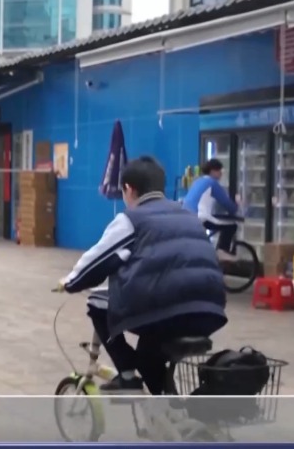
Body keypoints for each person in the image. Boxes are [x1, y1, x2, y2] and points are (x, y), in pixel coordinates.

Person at [59, 156, 227, 395]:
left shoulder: (131, 219)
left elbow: (95, 262)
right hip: (210, 311)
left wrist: (70, 282)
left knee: (97, 302)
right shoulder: (190, 216)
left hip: (163, 313)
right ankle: (170, 409)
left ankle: (127, 375)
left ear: (129, 189)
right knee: (149, 356)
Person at [182, 159, 241, 260]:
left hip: (187, 216)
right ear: (213, 171)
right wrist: (236, 207)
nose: (221, 174)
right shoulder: (212, 183)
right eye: (220, 171)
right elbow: (226, 202)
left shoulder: (198, 181)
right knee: (231, 226)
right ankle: (222, 251)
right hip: (200, 217)